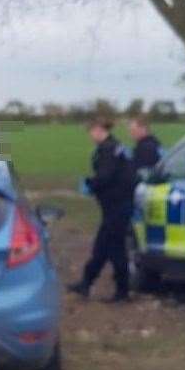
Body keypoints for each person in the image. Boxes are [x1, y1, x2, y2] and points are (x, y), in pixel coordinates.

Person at [67, 117, 137, 303]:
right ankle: (86, 283)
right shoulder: (117, 147)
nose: (90, 135)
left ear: (99, 129)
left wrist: (90, 184)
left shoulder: (108, 150)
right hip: (117, 206)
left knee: (114, 248)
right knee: (102, 247)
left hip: (116, 206)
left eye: (91, 131)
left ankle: (122, 292)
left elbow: (105, 177)